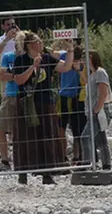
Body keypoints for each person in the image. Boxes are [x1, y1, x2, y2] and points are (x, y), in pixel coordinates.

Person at [12, 31, 74, 185]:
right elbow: (19, 80)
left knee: (46, 135)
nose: (40, 44)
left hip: (45, 102)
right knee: (25, 136)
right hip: (27, 103)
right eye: (37, 42)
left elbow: (65, 67)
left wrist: (70, 49)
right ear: (29, 45)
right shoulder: (20, 60)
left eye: (40, 41)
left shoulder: (46, 58)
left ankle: (47, 173)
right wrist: (32, 67)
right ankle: (23, 172)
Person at [0, 17, 19, 171]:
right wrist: (7, 39)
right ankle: (5, 158)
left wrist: (19, 34)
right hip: (7, 75)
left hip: (22, 75)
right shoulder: (0, 39)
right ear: (3, 26)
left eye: (13, 24)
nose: (11, 27)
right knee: (6, 107)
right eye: (8, 25)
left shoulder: (21, 37)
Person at [81, 51, 112, 170]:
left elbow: (103, 92)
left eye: (85, 57)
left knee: (85, 137)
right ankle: (106, 164)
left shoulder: (100, 72)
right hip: (92, 111)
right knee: (101, 139)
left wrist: (97, 109)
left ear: (92, 58)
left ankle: (87, 164)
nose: (83, 59)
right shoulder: (92, 74)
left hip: (97, 112)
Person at [57, 44, 87, 164]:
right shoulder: (65, 55)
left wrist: (79, 69)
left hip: (77, 97)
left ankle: (77, 156)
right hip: (63, 95)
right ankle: (62, 156)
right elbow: (53, 52)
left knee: (77, 130)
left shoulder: (84, 63)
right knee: (61, 128)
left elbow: (86, 81)